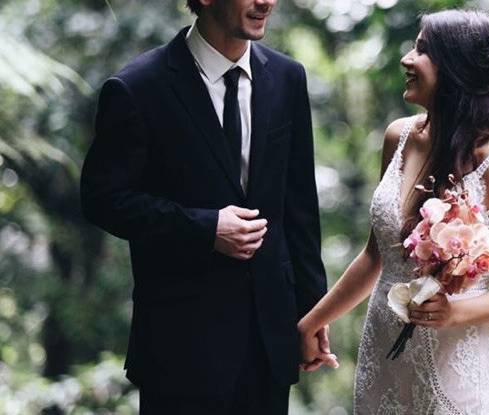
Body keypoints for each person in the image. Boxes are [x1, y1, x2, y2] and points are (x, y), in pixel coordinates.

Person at [80, 0, 333, 413]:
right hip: (179, 346)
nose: (266, 2)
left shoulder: (287, 77)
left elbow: (299, 206)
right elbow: (102, 200)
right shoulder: (139, 86)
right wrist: (204, 228)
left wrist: (313, 313)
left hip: (267, 342)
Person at [298, 9, 489, 414]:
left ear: (457, 68)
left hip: (456, 361)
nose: (407, 60)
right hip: (383, 351)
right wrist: (312, 322)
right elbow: (377, 255)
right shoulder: (399, 136)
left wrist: (453, 312)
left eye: (423, 51)